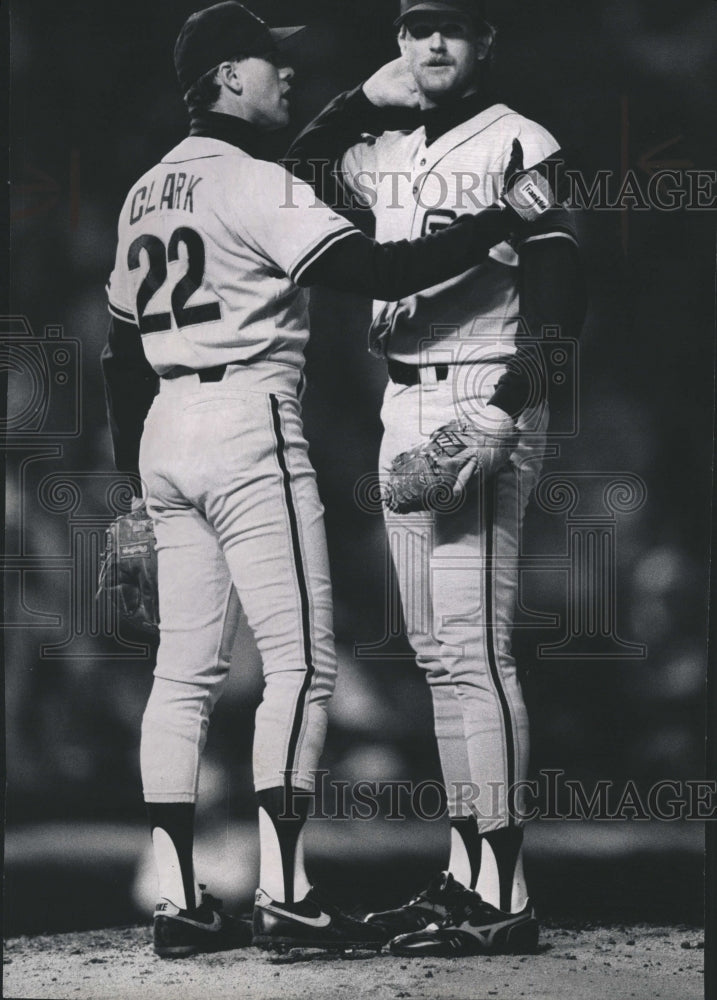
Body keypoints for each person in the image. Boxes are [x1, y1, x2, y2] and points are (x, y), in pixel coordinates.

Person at [102, 0, 557, 958]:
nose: (286, 74)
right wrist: (488, 222)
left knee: (182, 673)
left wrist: (126, 495)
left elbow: (114, 355)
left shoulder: (145, 189)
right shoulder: (258, 180)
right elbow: (375, 262)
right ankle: (287, 890)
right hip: (247, 422)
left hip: (162, 426)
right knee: (308, 665)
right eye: (270, 62)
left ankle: (182, 901)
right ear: (228, 76)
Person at [287, 0, 586, 957]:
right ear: (398, 41)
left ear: (487, 39)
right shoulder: (379, 150)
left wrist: (508, 403)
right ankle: (465, 879)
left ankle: (505, 895)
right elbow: (284, 180)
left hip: (478, 393)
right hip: (399, 398)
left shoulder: (523, 144)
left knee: (476, 650)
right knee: (435, 656)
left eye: (453, 28)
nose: (433, 44)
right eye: (417, 28)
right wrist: (347, 102)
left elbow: (559, 291)